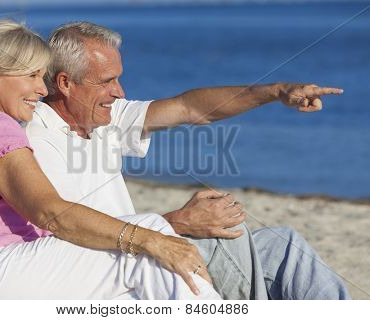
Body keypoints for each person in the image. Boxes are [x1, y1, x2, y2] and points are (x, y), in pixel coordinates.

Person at [25, 21, 350, 300]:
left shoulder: (102, 116)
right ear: (66, 83)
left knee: (284, 247)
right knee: (228, 241)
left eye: (118, 78)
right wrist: (177, 222)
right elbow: (64, 239)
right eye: (106, 81)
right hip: (112, 274)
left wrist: (276, 91)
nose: (119, 92)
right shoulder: (36, 139)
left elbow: (189, 107)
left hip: (139, 248)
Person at [0, 20, 222, 300]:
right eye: (31, 76)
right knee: (149, 236)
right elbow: (51, 213)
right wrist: (152, 238)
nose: (43, 89)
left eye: (41, 76)